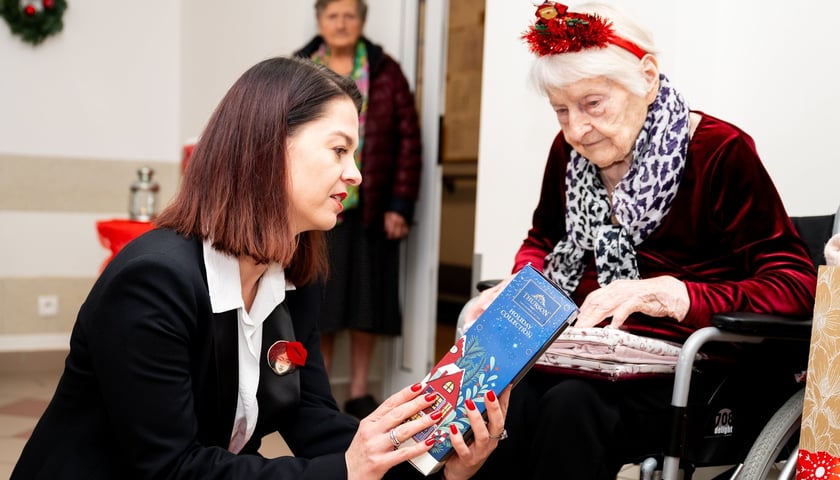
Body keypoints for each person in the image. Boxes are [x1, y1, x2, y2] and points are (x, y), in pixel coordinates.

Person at [11, 56, 505, 480]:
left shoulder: (295, 275)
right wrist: (347, 470)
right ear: (268, 149)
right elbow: (170, 469)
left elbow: (310, 416)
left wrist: (434, 463)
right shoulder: (153, 281)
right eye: (338, 150)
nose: (355, 173)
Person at [467, 3, 818, 479]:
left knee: (571, 407)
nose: (576, 130)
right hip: (583, 352)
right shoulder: (569, 152)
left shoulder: (719, 152)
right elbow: (544, 240)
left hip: (695, 367)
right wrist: (517, 291)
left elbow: (796, 284)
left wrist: (671, 294)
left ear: (646, 78)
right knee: (502, 402)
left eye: (593, 104)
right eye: (561, 110)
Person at [294, 0, 423, 420]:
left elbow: (408, 139)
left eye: (350, 16)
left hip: (370, 206)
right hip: (315, 207)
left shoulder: (386, 71)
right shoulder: (301, 67)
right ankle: (321, 389)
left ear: (362, 22)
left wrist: (400, 204)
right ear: (320, 21)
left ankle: (360, 390)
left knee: (367, 302)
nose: (342, 23)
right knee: (323, 302)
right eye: (333, 15)